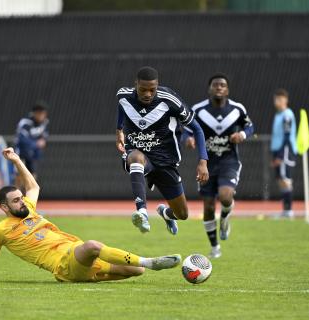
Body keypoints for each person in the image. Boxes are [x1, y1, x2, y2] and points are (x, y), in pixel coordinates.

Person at [0, 148, 181, 283]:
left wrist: (16, 160)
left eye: (20, 197)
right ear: (4, 208)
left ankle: (94, 275)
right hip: (65, 264)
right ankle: (151, 261)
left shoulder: (29, 209)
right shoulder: (1, 230)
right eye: (15, 201)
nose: (22, 201)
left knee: (135, 271)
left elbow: (34, 187)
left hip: (76, 260)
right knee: (92, 245)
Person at [116, 66, 209, 235]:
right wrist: (118, 130)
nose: (147, 94)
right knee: (135, 157)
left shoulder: (170, 100)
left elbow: (198, 129)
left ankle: (166, 214)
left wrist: (203, 161)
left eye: (152, 90)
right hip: (139, 154)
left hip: (165, 161)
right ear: (135, 84)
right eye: (143, 89)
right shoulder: (123, 95)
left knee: (182, 214)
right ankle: (142, 212)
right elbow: (122, 108)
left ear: (157, 86)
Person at [183, 73, 254, 258]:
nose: (219, 87)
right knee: (207, 207)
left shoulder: (237, 109)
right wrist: (188, 139)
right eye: (215, 85)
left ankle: (224, 218)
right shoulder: (198, 110)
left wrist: (243, 135)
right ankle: (215, 247)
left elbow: (250, 127)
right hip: (206, 163)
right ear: (209, 88)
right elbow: (185, 130)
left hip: (229, 161)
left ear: (227, 89)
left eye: (222, 85)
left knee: (225, 196)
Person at [270, 89, 297, 219]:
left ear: (285, 100)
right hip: (277, 150)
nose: (277, 102)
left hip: (285, 151)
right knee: (280, 180)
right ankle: (285, 210)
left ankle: (289, 210)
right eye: (276, 99)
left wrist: (280, 156)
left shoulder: (287, 115)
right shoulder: (278, 115)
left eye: (280, 99)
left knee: (286, 180)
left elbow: (287, 136)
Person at [14, 101, 49, 185]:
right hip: (21, 152)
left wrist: (43, 140)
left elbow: (44, 135)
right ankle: (16, 196)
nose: (41, 116)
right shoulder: (26, 122)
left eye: (43, 113)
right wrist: (36, 143)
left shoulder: (45, 122)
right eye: (39, 113)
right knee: (20, 176)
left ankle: (30, 197)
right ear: (34, 113)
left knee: (33, 175)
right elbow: (21, 139)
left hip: (33, 154)